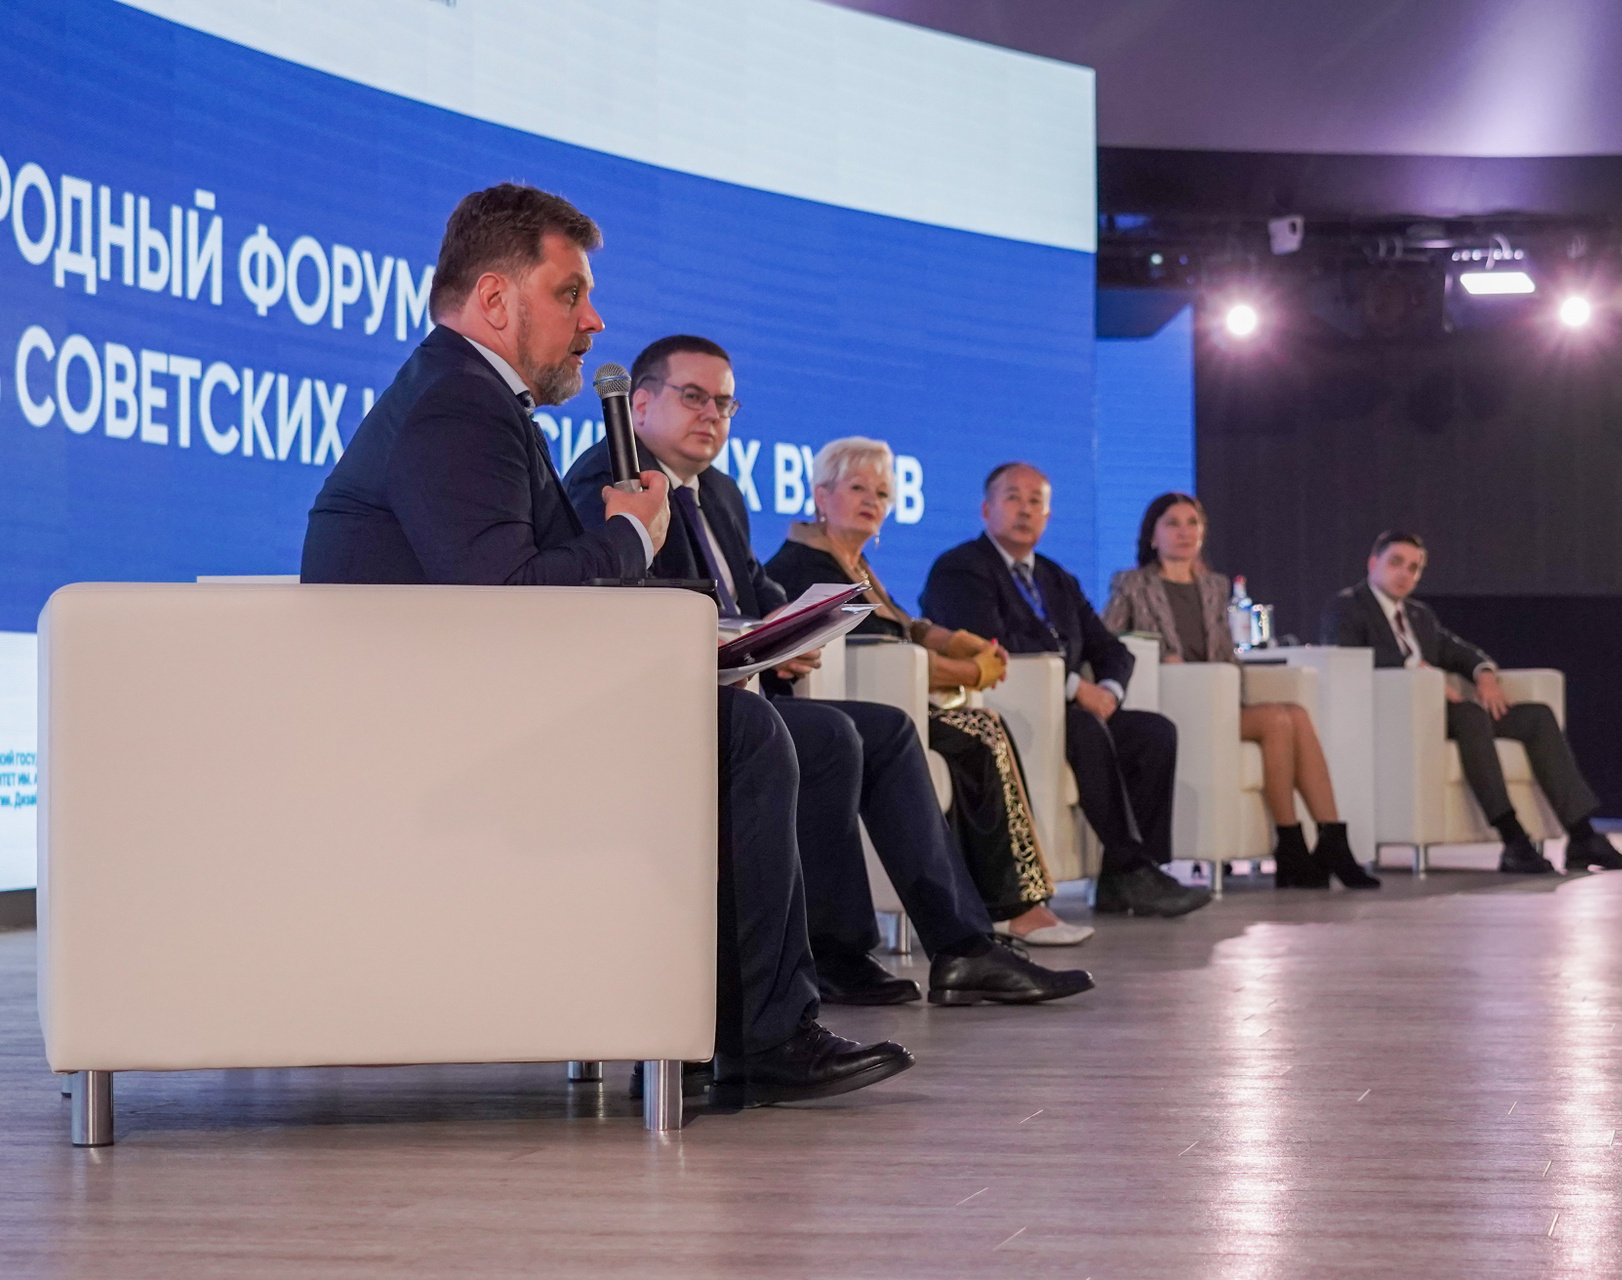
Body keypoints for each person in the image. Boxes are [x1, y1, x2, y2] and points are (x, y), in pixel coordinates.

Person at [301, 184, 913, 1108]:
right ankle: (760, 1035)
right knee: (746, 735)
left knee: (754, 726)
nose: (594, 321)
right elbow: (508, 597)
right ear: (496, 299)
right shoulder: (457, 405)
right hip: (436, 736)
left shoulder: (467, 395)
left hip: (461, 706)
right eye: (570, 293)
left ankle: (730, 1028)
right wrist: (630, 533)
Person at [562, 336, 1092, 1006]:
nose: (712, 415)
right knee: (834, 735)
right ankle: (837, 952)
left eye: (724, 403)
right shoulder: (609, 481)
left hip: (744, 692)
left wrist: (795, 626)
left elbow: (754, 588)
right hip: (667, 704)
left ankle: (963, 948)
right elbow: (624, 608)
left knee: (888, 730)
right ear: (639, 406)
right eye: (693, 397)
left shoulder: (719, 491)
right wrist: (748, 639)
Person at [767, 436, 1094, 946]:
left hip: (893, 707)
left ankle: (1010, 904)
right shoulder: (805, 564)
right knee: (979, 731)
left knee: (980, 729)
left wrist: (958, 643)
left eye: (882, 493)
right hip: (842, 712)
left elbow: (903, 625)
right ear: (821, 495)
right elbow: (876, 648)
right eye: (858, 488)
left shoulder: (854, 563)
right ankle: (1013, 906)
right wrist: (968, 671)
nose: (873, 500)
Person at [920, 463, 1212, 919]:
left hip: (1071, 708)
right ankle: (1133, 868)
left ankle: (1128, 878)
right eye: (1013, 497)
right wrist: (1077, 688)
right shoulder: (960, 569)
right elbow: (992, 648)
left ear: (1048, 516)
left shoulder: (1057, 578)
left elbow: (1111, 649)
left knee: (1153, 733)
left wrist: (1109, 690)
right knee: (1085, 726)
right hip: (1005, 706)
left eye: (1035, 501)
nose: (1025, 509)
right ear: (986, 509)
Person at [1320, 531, 1622, 874]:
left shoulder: (1418, 615)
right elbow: (1347, 659)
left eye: (1414, 568)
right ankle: (1513, 839)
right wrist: (1421, 675)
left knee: (1536, 717)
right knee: (1470, 715)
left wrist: (1484, 673)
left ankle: (1583, 837)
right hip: (1399, 716)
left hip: (1447, 714)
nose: (1405, 573)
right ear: (1373, 563)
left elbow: (1456, 650)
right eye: (1396, 563)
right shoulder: (1347, 607)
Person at [1104, 493, 1378, 890]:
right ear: (1152, 535)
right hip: (1175, 701)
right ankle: (1292, 845)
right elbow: (1109, 640)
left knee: (1294, 715)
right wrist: (1161, 657)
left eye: (1192, 523)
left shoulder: (1214, 586)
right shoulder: (1132, 584)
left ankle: (1330, 838)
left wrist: (1228, 680)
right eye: (1172, 524)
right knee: (1278, 721)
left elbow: (1225, 653)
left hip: (1219, 696)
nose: (1184, 532)